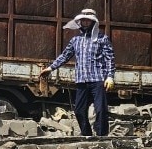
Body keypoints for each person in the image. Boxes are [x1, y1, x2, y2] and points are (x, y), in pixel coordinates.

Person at [39, 8, 115, 137]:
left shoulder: (102, 39)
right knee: (79, 110)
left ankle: (102, 138)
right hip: (82, 81)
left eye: (88, 20)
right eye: (83, 20)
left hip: (98, 80)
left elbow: (110, 58)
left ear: (93, 22)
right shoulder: (76, 40)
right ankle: (87, 136)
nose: (85, 22)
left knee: (101, 110)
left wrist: (110, 76)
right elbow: (65, 56)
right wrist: (51, 68)